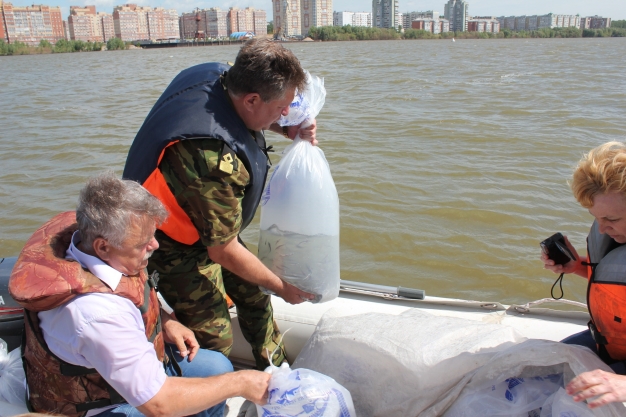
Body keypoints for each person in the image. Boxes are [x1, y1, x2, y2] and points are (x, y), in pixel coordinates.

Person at [122, 38, 317, 369]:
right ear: (252, 99)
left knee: (256, 295)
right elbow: (222, 251)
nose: (285, 114)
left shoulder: (218, 74)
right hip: (167, 243)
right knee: (215, 337)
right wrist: (283, 286)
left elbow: (251, 113)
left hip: (201, 217)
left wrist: (287, 127)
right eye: (280, 109)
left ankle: (275, 368)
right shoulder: (211, 157)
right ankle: (197, 384)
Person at [9, 172, 270, 417]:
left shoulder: (91, 245)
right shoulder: (97, 314)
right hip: (100, 406)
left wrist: (166, 321)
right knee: (224, 381)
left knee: (217, 367)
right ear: (103, 247)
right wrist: (242, 382)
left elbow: (135, 291)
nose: (154, 245)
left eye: (153, 235)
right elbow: (159, 404)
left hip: (114, 366)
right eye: (142, 243)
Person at [541, 141, 626, 408]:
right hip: (608, 345)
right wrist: (576, 266)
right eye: (596, 218)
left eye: (611, 220)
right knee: (533, 370)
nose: (601, 230)